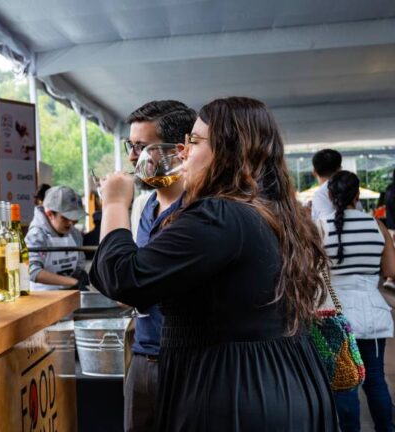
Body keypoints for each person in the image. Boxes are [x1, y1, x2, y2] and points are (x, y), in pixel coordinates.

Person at [90, 97, 337, 431]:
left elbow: (125, 278)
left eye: (194, 141)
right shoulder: (271, 210)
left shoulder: (219, 215)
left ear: (226, 150)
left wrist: (114, 203)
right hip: (284, 380)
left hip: (235, 392)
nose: (184, 153)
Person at [122, 100, 196, 431]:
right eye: (130, 146)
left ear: (178, 151)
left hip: (188, 361)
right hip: (143, 355)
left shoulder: (200, 210)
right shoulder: (143, 204)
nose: (132, 157)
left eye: (141, 147)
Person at [320, 170, 395, 432]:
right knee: (375, 379)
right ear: (358, 195)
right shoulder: (377, 226)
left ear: (330, 196)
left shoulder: (320, 226)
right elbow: (391, 270)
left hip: (335, 314)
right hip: (372, 312)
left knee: (344, 381)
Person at [25, 185, 87, 290]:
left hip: (69, 293)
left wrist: (80, 275)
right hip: (43, 296)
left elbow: (79, 265)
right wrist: (73, 282)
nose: (71, 223)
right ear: (50, 214)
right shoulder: (36, 236)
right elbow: (32, 271)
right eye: (65, 218)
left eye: (74, 218)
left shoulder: (74, 234)